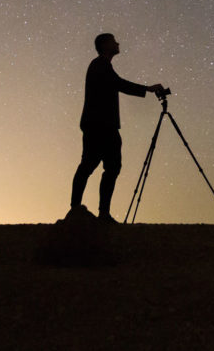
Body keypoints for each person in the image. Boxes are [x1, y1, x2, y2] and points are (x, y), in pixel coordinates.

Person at [70, 33, 165, 222]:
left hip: (104, 126)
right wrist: (147, 89)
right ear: (105, 45)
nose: (118, 43)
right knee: (91, 165)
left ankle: (99, 212)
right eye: (114, 41)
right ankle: (78, 209)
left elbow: (116, 83)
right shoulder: (100, 65)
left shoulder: (103, 66)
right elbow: (118, 83)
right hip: (99, 126)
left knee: (109, 167)